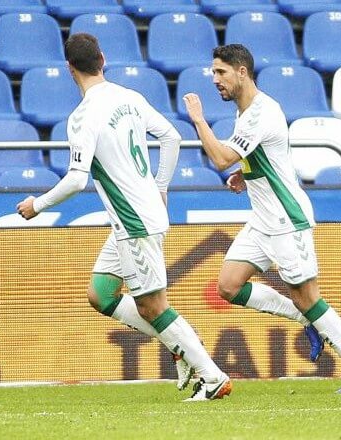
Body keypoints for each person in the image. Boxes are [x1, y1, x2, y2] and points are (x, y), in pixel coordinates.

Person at [16, 33, 231, 401]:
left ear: (70, 69)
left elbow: (76, 179)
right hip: (135, 217)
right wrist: (162, 186)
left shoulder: (82, 116)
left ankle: (211, 376)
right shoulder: (129, 97)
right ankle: (179, 338)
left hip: (134, 222)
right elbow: (171, 138)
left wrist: (38, 205)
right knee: (100, 295)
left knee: (152, 306)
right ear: (102, 58)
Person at [182, 43, 341, 393]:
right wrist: (247, 173)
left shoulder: (260, 112)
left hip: (287, 220)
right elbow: (263, 155)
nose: (215, 80)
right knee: (228, 285)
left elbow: (222, 157)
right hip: (262, 219)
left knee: (308, 296)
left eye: (221, 72)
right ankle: (309, 320)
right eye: (213, 73)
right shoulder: (246, 113)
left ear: (242, 72)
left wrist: (198, 120)